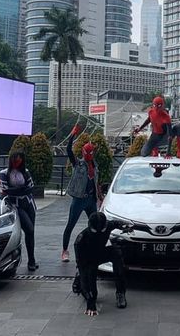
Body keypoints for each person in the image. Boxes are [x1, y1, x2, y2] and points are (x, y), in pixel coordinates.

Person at [71, 212, 133, 316]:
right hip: (87, 260)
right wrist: (91, 303)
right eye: (95, 231)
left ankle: (120, 293)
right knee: (92, 294)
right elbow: (82, 267)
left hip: (100, 253)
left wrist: (127, 227)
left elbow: (118, 223)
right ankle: (79, 280)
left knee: (116, 252)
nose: (99, 232)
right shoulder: (80, 241)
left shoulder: (108, 225)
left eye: (102, 230)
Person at [61, 125, 102, 262]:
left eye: (91, 152)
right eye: (88, 152)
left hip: (91, 199)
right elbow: (68, 150)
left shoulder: (95, 165)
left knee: (95, 225)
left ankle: (93, 249)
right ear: (84, 153)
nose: (90, 155)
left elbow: (96, 182)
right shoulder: (78, 164)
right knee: (70, 224)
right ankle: (65, 250)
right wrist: (72, 134)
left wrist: (100, 196)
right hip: (79, 199)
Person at [0, 151, 38, 271]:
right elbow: (5, 190)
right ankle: (23, 260)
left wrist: (14, 190)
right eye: (15, 159)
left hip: (29, 204)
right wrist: (21, 189)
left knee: (31, 233)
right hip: (17, 206)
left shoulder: (25, 172)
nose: (17, 162)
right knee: (29, 229)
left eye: (20, 159)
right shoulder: (4, 173)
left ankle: (32, 260)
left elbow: (31, 187)